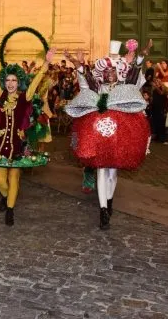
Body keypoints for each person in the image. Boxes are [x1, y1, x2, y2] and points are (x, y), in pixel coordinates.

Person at [65, 40, 150, 230]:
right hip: (100, 136)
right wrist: (77, 64)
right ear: (103, 74)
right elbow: (85, 81)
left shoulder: (125, 86)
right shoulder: (98, 88)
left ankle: (109, 201)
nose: (110, 74)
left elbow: (135, 75)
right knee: (101, 169)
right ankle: (103, 209)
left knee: (112, 173)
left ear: (118, 73)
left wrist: (141, 56)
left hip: (119, 138)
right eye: (107, 72)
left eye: (113, 71)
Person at [0, 41, 52, 226]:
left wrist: (45, 64)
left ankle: (10, 210)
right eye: (8, 80)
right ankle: (6, 198)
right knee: (0, 179)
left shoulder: (26, 97)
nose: (11, 83)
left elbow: (37, 80)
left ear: (19, 82)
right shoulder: (0, 95)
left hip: (19, 144)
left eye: (14, 80)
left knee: (14, 177)